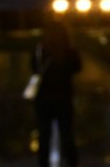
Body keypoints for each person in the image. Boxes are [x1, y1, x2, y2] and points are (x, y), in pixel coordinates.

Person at [32, 20, 82, 167]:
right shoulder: (69, 51)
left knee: (44, 137)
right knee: (67, 135)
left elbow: (34, 68)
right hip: (64, 98)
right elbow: (78, 67)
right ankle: (71, 163)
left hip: (43, 98)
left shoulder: (41, 49)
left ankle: (43, 164)